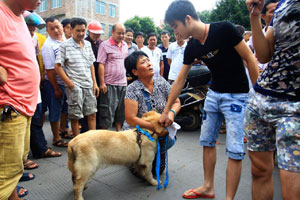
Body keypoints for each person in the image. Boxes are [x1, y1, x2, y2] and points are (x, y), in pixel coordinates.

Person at [161, 0, 259, 199]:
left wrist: (257, 98)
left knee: (234, 149)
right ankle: (208, 186)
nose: (175, 32)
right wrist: (166, 110)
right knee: (207, 141)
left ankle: (229, 198)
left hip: (237, 97)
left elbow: (250, 60)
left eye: (175, 26)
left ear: (188, 19)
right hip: (213, 95)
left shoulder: (225, 29)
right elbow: (180, 79)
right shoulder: (193, 46)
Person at [244, 0, 300, 199]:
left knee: (291, 190)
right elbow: (264, 55)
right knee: (259, 172)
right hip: (261, 99)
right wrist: (255, 15)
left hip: (295, 107)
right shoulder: (283, 4)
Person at [0, 0, 41, 199]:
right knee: (5, 175)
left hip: (23, 105)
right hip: (9, 105)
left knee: (15, 168)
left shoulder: (19, 17)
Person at [123, 51, 181, 174]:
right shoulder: (132, 89)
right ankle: (133, 158)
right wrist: (156, 128)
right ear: (135, 72)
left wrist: (171, 114)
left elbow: (176, 102)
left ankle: (158, 151)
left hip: (160, 129)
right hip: (139, 132)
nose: (149, 64)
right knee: (142, 171)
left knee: (158, 171)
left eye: (148, 60)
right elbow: (131, 118)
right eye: (143, 62)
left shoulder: (161, 81)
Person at [24, 11, 62, 160]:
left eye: (34, 28)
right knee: (21, 123)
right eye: (29, 27)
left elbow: (36, 61)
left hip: (33, 83)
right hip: (19, 86)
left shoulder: (34, 39)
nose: (32, 30)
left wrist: (38, 79)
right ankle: (22, 158)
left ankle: (40, 149)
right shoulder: (12, 35)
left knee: (36, 117)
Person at [55, 17, 99, 137]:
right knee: (75, 117)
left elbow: (91, 65)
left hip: (89, 85)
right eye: (78, 30)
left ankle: (93, 141)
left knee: (92, 114)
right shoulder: (64, 46)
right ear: (71, 29)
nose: (81, 33)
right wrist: (70, 84)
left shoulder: (88, 44)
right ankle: (77, 142)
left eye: (83, 30)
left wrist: (95, 83)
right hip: (75, 87)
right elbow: (57, 67)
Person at [41, 16, 70, 147]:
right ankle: (56, 138)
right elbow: (50, 70)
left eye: (57, 27)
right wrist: (56, 88)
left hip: (66, 83)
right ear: (47, 30)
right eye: (52, 29)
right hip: (54, 84)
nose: (56, 30)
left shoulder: (65, 40)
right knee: (55, 111)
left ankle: (63, 130)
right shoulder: (48, 46)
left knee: (65, 109)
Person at [97, 23, 128, 131]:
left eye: (123, 33)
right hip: (109, 84)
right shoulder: (104, 45)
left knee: (121, 111)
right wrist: (102, 83)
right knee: (107, 111)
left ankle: (119, 133)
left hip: (123, 84)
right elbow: (101, 64)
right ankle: (105, 136)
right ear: (113, 32)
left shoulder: (125, 45)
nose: (121, 36)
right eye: (119, 33)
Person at [82, 20, 104, 130]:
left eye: (98, 34)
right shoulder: (85, 43)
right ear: (89, 32)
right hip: (87, 76)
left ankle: (97, 126)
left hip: (99, 76)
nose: (96, 36)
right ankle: (85, 127)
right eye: (94, 33)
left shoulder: (101, 44)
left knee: (98, 102)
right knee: (87, 104)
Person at [247, 0, 279, 72]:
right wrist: (254, 68)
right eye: (273, 11)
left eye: (279, 9)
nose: (277, 13)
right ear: (263, 16)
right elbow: (246, 56)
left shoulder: (285, 32)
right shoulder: (256, 37)